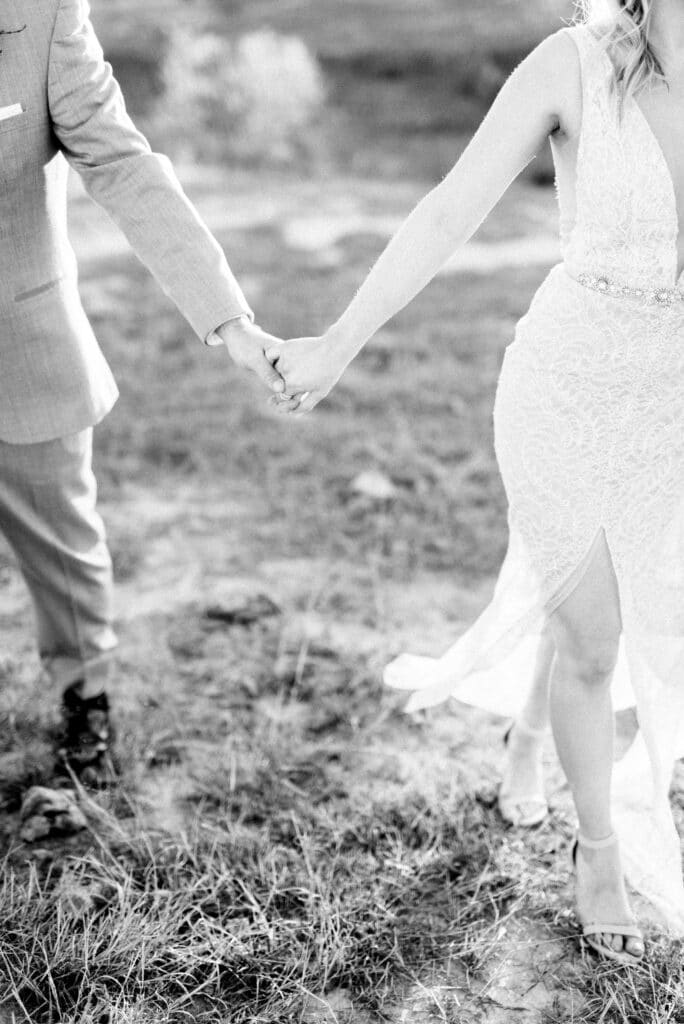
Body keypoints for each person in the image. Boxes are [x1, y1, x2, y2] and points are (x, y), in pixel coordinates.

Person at [268, 0, 684, 963]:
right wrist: (339, 341)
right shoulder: (570, 63)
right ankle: (600, 853)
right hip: (564, 385)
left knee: (604, 600)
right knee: (591, 637)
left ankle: (528, 732)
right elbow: (453, 204)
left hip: (671, 403)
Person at [0, 0, 285, 786]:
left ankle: (85, 693)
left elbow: (122, 165)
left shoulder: (43, 16)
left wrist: (228, 321)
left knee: (62, 543)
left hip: (20, 347)